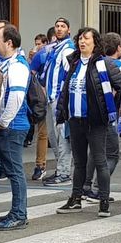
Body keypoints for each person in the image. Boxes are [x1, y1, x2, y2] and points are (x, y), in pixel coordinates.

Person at [55, 27, 121, 217]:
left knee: (100, 161)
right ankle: (75, 199)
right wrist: (61, 114)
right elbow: (64, 90)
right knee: (79, 163)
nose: (82, 42)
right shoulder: (73, 62)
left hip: (96, 121)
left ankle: (103, 202)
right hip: (75, 120)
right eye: (80, 39)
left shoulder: (105, 64)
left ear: (95, 42)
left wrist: (110, 106)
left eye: (86, 39)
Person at [0, 24, 30, 230]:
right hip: (10, 123)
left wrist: (3, 122)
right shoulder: (7, 63)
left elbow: (16, 96)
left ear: (9, 43)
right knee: (13, 170)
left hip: (13, 125)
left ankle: (19, 213)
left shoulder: (17, 66)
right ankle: (17, 211)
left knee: (15, 171)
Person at [42, 17, 75, 186]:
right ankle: (60, 170)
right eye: (57, 26)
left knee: (62, 136)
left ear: (68, 30)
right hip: (51, 97)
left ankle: (64, 173)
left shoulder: (68, 48)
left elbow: (69, 74)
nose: (59, 29)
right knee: (53, 136)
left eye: (63, 26)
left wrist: (63, 98)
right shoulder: (56, 48)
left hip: (58, 99)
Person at [27, 26, 55, 180]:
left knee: (49, 134)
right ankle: (40, 165)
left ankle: (45, 166)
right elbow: (31, 74)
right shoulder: (42, 55)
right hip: (44, 99)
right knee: (44, 133)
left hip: (56, 98)